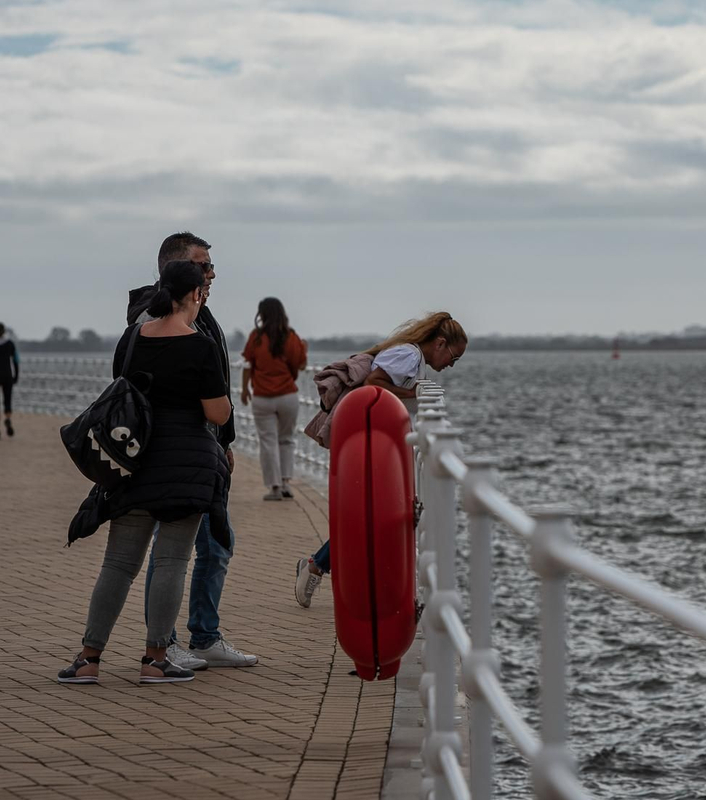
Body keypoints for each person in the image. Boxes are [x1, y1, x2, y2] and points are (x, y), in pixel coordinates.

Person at [58, 261, 233, 685]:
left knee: (118, 564)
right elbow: (217, 412)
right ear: (196, 295)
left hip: (134, 462)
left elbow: (123, 388)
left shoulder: (133, 338)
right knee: (172, 561)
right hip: (186, 465)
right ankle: (155, 660)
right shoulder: (201, 346)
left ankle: (88, 658)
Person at [120, 231, 257, 670]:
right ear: (174, 268)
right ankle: (163, 643)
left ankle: (205, 636)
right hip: (174, 455)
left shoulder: (203, 315)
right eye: (203, 265)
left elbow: (215, 383)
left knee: (216, 545)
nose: (211, 274)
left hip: (206, 451)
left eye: (211, 266)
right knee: (168, 554)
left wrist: (225, 442)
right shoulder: (153, 318)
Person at [295, 312, 468, 608]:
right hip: (371, 444)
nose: (451, 365)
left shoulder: (413, 358)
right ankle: (317, 566)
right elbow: (374, 383)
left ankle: (324, 567)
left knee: (373, 519)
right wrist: (414, 392)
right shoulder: (409, 355)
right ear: (440, 343)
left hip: (380, 445)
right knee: (371, 519)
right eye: (454, 357)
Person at [241, 297, 308, 502]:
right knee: (286, 439)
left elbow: (247, 365)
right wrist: (303, 349)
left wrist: (244, 389)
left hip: (262, 397)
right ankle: (286, 482)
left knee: (268, 442)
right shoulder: (291, 337)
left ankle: (275, 487)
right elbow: (301, 365)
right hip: (288, 396)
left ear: (262, 314)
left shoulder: (256, 337)